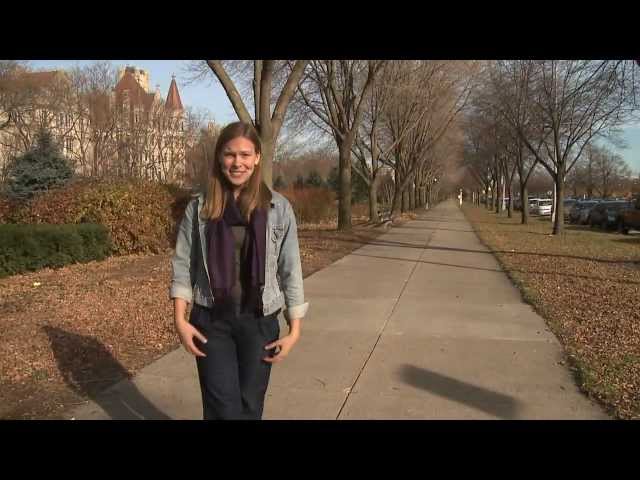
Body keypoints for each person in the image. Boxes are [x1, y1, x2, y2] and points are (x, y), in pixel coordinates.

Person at [170, 121, 308, 420]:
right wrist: (180, 319)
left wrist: (294, 330)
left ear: (257, 157)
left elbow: (290, 268)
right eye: (230, 154)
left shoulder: (278, 208)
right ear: (220, 157)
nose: (238, 162)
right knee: (223, 410)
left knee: (249, 407)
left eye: (245, 155)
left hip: (259, 322)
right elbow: (183, 263)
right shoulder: (200, 207)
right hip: (212, 321)